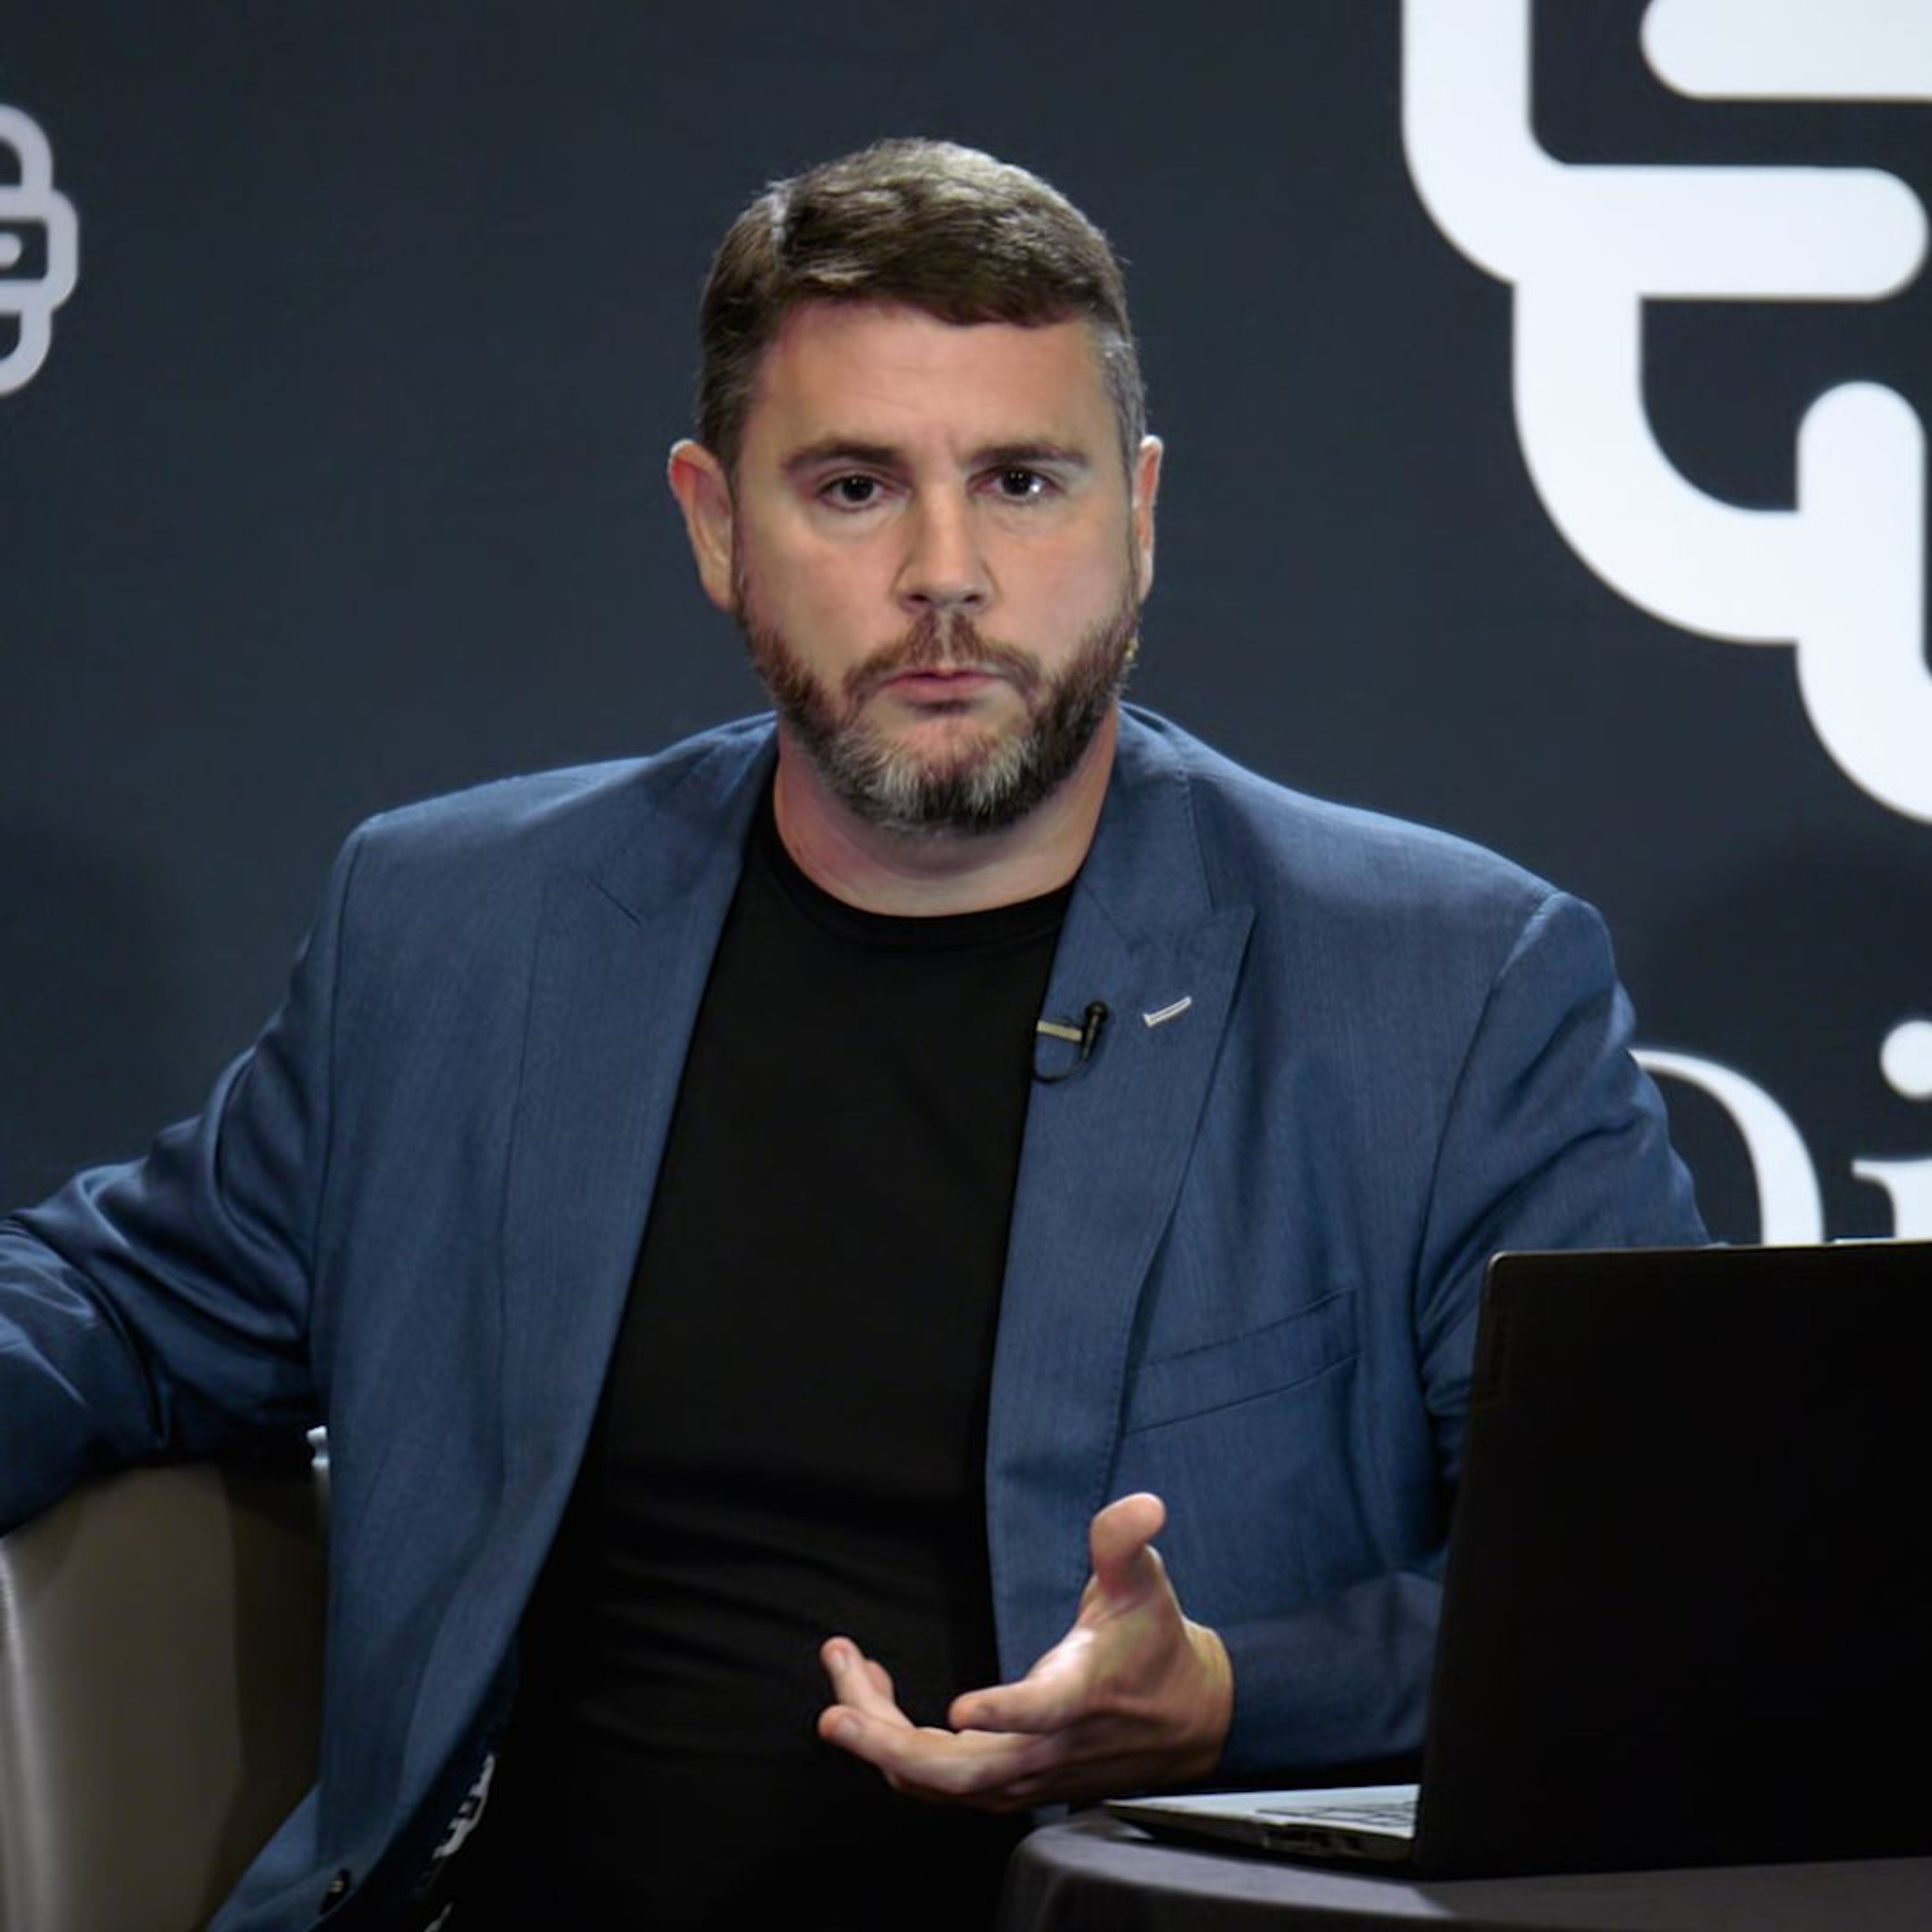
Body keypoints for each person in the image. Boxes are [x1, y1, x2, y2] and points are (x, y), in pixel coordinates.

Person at [0, 138, 1703, 1929]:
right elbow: (113, 1308)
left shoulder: (1447, 988)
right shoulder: (457, 934)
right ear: (715, 523)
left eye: (1023, 482)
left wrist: (1228, 1694)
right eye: (854, 487)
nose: (945, 574)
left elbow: (1652, 1583)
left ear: (1139, 516)